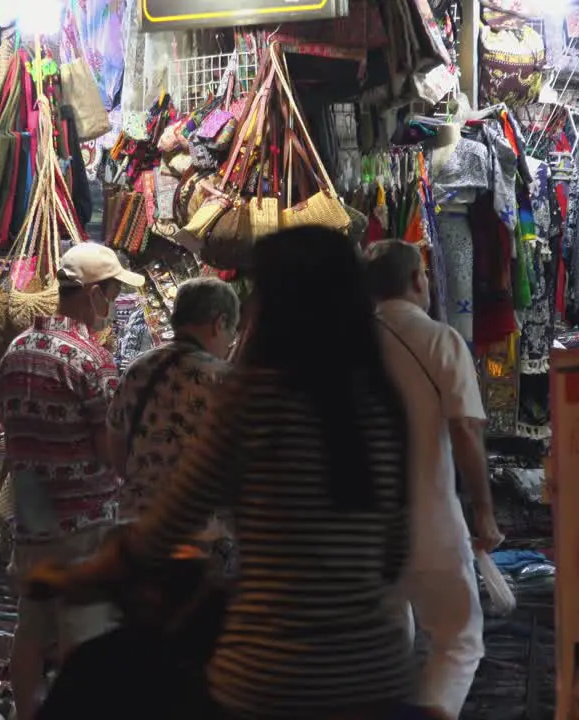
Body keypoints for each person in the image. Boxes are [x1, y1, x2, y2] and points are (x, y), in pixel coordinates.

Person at [32, 227, 420, 720]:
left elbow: (172, 518)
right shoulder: (382, 402)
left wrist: (85, 575)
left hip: (268, 675)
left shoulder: (254, 397)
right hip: (375, 675)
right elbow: (395, 550)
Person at [0, 241, 145, 720]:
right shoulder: (90, 361)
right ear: (94, 293)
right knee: (84, 640)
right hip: (85, 524)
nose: (115, 304)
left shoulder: (15, 352)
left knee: (31, 633)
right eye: (114, 292)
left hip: (33, 519)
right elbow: (109, 451)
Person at [364, 239, 503, 719]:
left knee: (386, 647)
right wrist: (483, 509)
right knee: (459, 639)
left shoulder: (346, 346)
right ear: (419, 280)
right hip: (430, 521)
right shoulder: (440, 340)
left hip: (359, 531)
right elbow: (464, 428)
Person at [107, 276, 240, 522]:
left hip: (136, 524)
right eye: (232, 331)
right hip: (195, 532)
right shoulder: (224, 381)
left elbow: (116, 449)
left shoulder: (138, 369)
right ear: (219, 324)